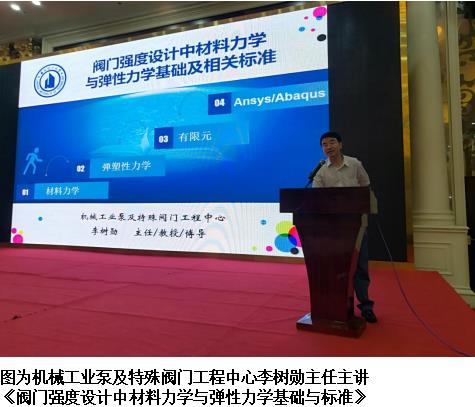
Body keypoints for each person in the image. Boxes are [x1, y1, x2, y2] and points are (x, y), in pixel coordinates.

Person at [312, 131, 377, 323]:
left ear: (340, 144)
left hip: (356, 225)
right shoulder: (321, 171)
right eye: (324, 144)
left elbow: (366, 186)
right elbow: (316, 197)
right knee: (335, 268)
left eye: (332, 142)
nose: (328, 147)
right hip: (333, 228)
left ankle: (365, 306)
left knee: (360, 266)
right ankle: (337, 306)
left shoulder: (355, 164)